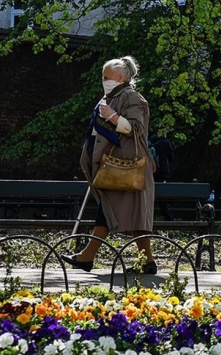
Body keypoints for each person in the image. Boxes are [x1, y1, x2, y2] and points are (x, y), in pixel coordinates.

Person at [62, 56, 158, 275]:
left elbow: (135, 128)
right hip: (117, 165)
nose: (103, 80)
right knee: (132, 214)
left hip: (125, 165)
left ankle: (88, 256)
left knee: (111, 210)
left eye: (107, 77)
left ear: (121, 77)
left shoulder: (131, 96)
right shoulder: (112, 96)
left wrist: (113, 117)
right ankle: (147, 261)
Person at [151, 130, 176, 220]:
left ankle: (150, 214)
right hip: (162, 171)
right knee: (162, 193)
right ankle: (166, 215)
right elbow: (171, 157)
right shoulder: (165, 143)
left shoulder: (150, 142)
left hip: (151, 171)